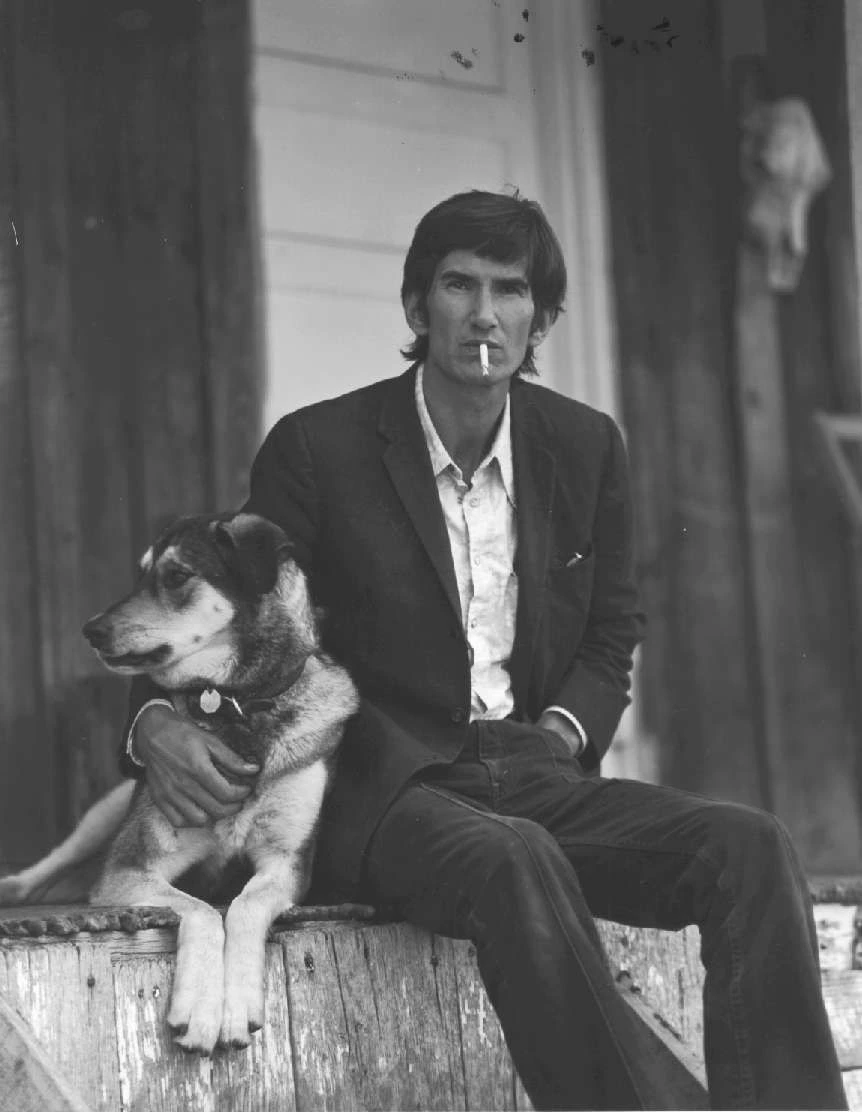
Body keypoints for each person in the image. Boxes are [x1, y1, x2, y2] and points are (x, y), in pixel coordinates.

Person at [124, 190, 846, 1110]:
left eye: (509, 290)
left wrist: (562, 731)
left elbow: (611, 627)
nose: (482, 312)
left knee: (749, 847)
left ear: (539, 318)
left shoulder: (585, 447)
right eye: (457, 284)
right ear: (419, 308)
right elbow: (233, 616)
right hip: (376, 786)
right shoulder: (319, 448)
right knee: (516, 859)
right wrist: (149, 721)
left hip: (534, 768)